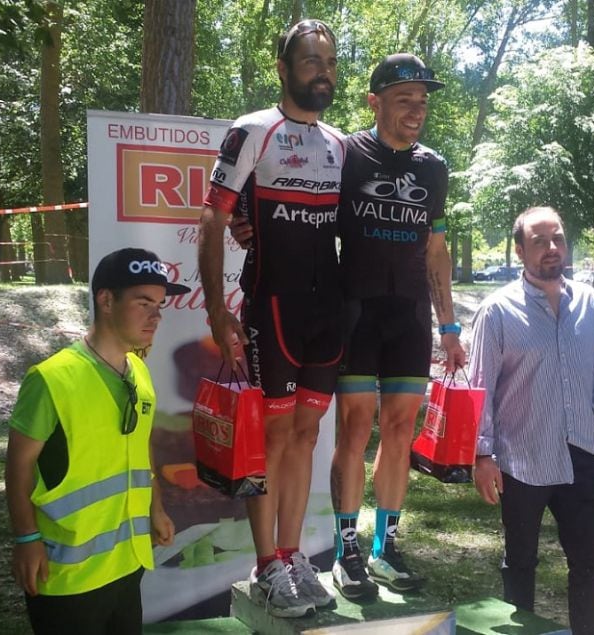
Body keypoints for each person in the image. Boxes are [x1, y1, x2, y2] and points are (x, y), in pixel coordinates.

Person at [198, 19, 344, 618]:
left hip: (326, 311)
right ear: (284, 69)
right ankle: (264, 568)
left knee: (306, 436)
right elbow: (214, 218)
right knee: (273, 437)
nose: (323, 73)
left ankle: (291, 555)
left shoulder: (340, 144)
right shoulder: (253, 129)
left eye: (330, 63)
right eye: (310, 62)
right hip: (272, 305)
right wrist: (214, 305)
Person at [328, 53, 466, 601]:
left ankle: (384, 545)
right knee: (356, 429)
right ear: (375, 101)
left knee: (401, 430)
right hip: (356, 310)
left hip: (409, 315)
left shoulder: (434, 167)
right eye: (405, 98)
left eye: (423, 100)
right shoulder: (345, 153)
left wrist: (449, 323)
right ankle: (346, 548)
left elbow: (437, 249)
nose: (417, 109)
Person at [5, 247, 187, 635]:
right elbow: (18, 466)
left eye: (159, 304)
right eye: (143, 302)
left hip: (128, 563)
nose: (156, 315)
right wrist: (26, 538)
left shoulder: (137, 369)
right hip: (68, 572)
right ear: (106, 300)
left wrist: (156, 508)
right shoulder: (51, 379)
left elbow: (140, 448)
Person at [468, 206, 594, 635]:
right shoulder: (497, 311)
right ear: (520, 251)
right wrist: (483, 454)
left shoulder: (589, 303)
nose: (552, 248)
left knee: (590, 564)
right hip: (523, 459)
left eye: (557, 238)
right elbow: (478, 390)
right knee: (520, 563)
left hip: (582, 453)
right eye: (540, 241)